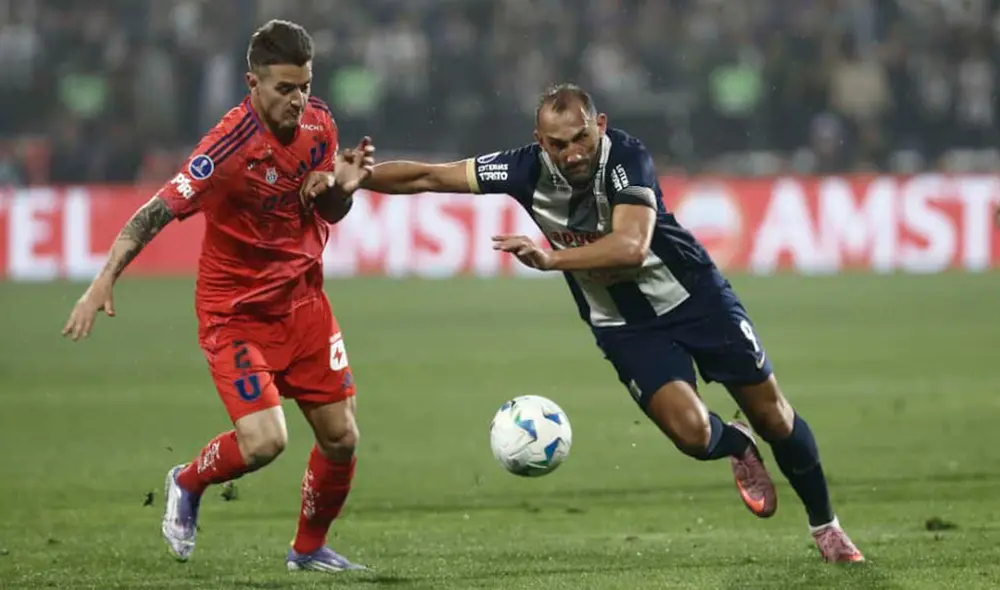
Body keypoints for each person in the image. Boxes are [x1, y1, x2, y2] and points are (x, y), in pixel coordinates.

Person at [347, 83, 864, 564]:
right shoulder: (521, 169)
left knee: (775, 416)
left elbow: (632, 247)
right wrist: (356, 176)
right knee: (690, 435)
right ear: (539, 142)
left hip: (695, 298)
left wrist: (550, 261)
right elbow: (427, 176)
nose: (573, 153)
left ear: (600, 124)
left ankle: (827, 526)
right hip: (623, 324)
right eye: (558, 144)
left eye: (581, 139)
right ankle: (736, 444)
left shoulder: (626, 159)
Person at [62, 20, 374, 574]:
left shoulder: (321, 123)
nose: (298, 100)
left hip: (303, 302)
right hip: (236, 315)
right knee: (264, 443)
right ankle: (186, 480)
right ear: (251, 82)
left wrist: (342, 191)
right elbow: (156, 211)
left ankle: (307, 551)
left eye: (304, 85)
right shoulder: (224, 149)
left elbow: (324, 211)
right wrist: (105, 277)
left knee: (342, 438)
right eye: (284, 88)